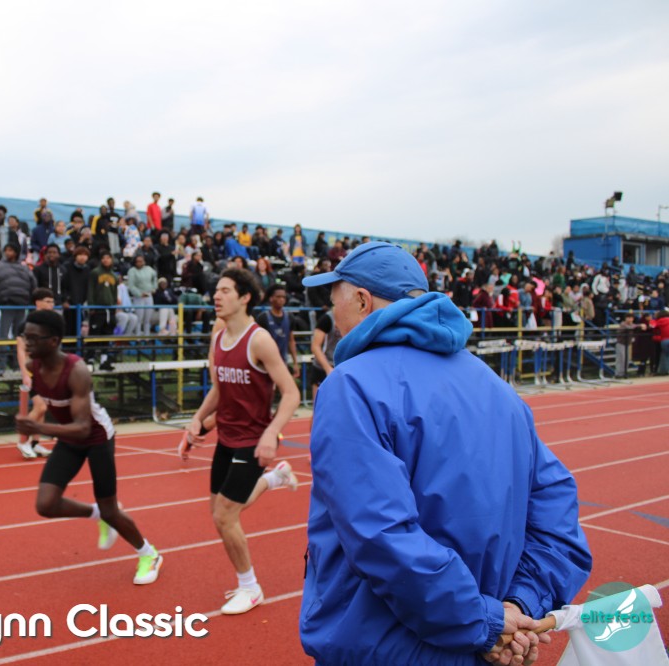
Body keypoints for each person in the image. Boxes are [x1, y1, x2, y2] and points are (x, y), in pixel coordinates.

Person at [300, 242, 592, 665]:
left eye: (334, 302)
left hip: (388, 647)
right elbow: (556, 512)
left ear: (362, 301)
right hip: (482, 644)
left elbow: (380, 535)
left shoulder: (351, 386)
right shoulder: (497, 388)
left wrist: (484, 621)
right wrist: (519, 606)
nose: (332, 315)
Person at [16, 309, 163, 586]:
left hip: (96, 438)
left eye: (34, 338)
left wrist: (38, 428)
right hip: (68, 437)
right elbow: (41, 397)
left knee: (111, 510)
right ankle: (96, 514)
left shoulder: (77, 371)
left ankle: (149, 554)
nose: (27, 343)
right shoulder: (34, 366)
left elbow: (83, 427)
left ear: (54, 341)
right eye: (26, 336)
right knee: (46, 504)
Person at [186, 268, 300, 615]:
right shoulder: (219, 338)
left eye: (225, 291)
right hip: (227, 437)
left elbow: (291, 393)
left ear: (245, 297)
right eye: (216, 291)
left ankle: (250, 587)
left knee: (224, 515)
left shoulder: (259, 340)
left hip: (252, 440)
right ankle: (275, 478)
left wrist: (270, 433)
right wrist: (197, 420)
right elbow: (219, 389)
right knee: (220, 509)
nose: (216, 296)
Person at [14, 288, 58, 459]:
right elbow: (21, 349)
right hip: (32, 371)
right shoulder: (27, 323)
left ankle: (35, 442)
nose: (51, 304)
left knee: (42, 409)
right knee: (41, 407)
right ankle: (23, 440)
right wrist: (25, 373)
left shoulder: (50, 324)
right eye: (47, 301)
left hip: (44, 370)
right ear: (37, 303)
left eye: (52, 301)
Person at [255, 284, 300, 379]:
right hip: (265, 365)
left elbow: (291, 341)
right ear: (271, 298)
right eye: (278, 297)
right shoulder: (263, 318)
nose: (281, 299)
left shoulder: (290, 317)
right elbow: (256, 343)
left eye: (283, 297)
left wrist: (295, 363)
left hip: (283, 362)